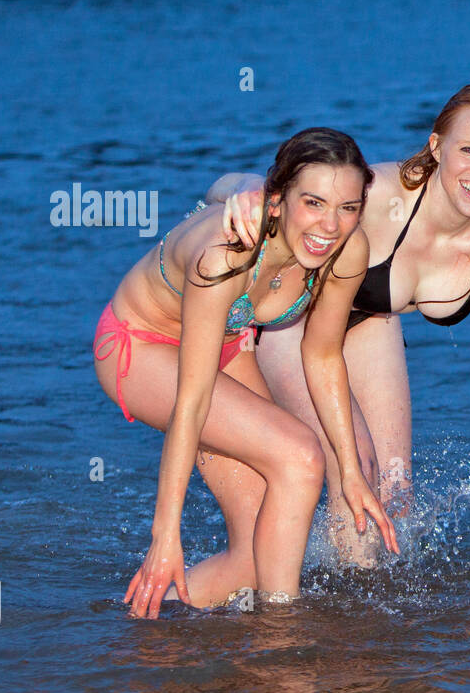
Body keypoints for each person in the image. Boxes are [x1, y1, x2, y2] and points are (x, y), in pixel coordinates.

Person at [217, 84, 470, 565]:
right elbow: (250, 183)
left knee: (396, 495)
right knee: (359, 467)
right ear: (436, 147)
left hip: (370, 320)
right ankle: (339, 618)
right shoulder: (375, 195)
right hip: (292, 326)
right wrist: (245, 196)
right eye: (468, 151)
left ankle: (358, 611)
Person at [93, 128, 397, 618]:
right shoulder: (228, 253)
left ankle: (137, 621)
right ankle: (281, 636)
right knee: (299, 458)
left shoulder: (348, 251)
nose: (330, 225)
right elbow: (190, 403)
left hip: (225, 343)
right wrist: (165, 535)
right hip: (140, 346)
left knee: (259, 553)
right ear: (276, 201)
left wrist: (351, 472)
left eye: (347, 207)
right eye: (314, 203)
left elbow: (321, 356)